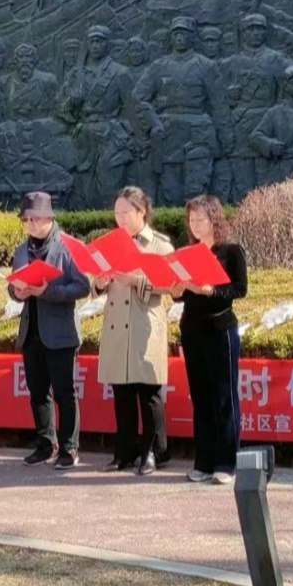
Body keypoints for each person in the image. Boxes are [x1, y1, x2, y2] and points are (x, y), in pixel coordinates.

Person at [92, 185, 174, 476]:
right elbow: (95, 283)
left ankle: (152, 451)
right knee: (122, 393)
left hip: (144, 325)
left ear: (142, 212)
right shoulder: (109, 243)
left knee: (148, 393)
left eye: (126, 212)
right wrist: (100, 282)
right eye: (117, 213)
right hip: (117, 327)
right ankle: (123, 452)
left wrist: (135, 281)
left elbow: (170, 286)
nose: (120, 218)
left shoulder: (160, 246)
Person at [7, 191, 91, 469]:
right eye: (26, 219)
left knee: (64, 392)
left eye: (35, 218)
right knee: (37, 391)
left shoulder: (68, 247)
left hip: (60, 331)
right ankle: (45, 443)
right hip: (31, 330)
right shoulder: (22, 250)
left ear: (49, 217)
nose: (30, 224)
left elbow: (82, 286)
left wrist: (48, 291)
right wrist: (17, 291)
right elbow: (12, 286)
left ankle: (69, 447)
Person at [177, 195, 249, 484]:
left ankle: (226, 462)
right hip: (192, 328)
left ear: (214, 220)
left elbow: (240, 289)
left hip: (220, 328)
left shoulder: (230, 251)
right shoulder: (187, 253)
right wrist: (176, 288)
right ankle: (203, 461)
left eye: (201, 219)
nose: (195, 225)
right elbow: (181, 293)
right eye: (191, 220)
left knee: (224, 397)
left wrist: (210, 291)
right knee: (201, 398)